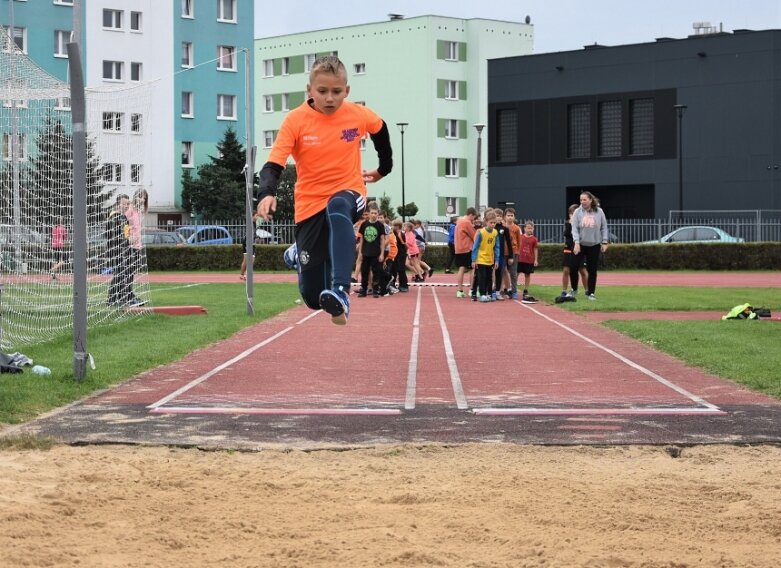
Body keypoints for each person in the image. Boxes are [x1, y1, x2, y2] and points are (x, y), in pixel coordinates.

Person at [255, 55, 392, 325]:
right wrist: (266, 193)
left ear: (347, 91)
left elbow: (381, 131)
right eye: (322, 91)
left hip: (349, 192)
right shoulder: (295, 121)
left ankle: (341, 290)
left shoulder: (358, 114)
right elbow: (274, 163)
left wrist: (383, 169)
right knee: (313, 297)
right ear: (309, 90)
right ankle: (298, 253)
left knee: (338, 206)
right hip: (309, 204)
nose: (330, 98)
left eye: (337, 92)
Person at [571, 191, 609, 300]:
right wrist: (577, 243)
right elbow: (575, 229)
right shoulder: (577, 212)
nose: (582, 202)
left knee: (592, 270)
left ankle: (591, 293)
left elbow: (604, 227)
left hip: (594, 245)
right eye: (581, 200)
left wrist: (605, 242)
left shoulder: (599, 211)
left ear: (590, 200)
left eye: (584, 200)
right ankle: (574, 289)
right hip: (580, 244)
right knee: (573, 266)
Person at [105, 194, 138, 306]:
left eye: (128, 204)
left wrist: (129, 239)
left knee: (121, 273)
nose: (126, 206)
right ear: (118, 204)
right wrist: (128, 239)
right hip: (117, 250)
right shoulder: (115, 217)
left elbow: (125, 234)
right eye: (124, 203)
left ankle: (116, 297)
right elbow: (115, 236)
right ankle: (117, 298)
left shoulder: (123, 218)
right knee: (120, 273)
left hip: (122, 249)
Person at [558, 203, 588, 301]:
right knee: (566, 270)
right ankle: (564, 290)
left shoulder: (583, 224)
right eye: (571, 213)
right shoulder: (568, 223)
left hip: (579, 249)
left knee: (582, 270)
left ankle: (588, 291)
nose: (573, 215)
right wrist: (571, 223)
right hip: (568, 248)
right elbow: (566, 234)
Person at [124, 189, 148, 306]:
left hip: (137, 245)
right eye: (140, 197)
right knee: (128, 271)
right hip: (130, 245)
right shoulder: (131, 209)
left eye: (144, 198)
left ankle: (130, 294)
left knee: (132, 271)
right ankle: (128, 296)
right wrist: (128, 237)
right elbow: (124, 223)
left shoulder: (139, 211)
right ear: (135, 197)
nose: (142, 200)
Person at [357, 202, 386, 298]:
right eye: (372, 213)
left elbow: (382, 240)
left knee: (376, 272)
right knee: (364, 272)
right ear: (369, 213)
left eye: (375, 213)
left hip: (376, 253)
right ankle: (363, 289)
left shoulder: (380, 226)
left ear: (378, 214)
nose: (374, 215)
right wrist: (360, 252)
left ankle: (375, 290)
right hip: (365, 252)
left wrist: (382, 254)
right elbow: (361, 239)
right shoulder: (363, 224)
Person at [471, 210, 501, 302]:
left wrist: (497, 260)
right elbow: (475, 247)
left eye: (494, 223)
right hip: (481, 258)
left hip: (490, 259)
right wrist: (473, 260)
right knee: (481, 276)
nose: (492, 224)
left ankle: (489, 293)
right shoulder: (481, 232)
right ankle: (481, 294)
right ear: (486, 222)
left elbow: (497, 247)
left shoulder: (495, 233)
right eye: (491, 222)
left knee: (489, 277)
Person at [454, 207, 478, 298]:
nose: (474, 220)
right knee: (472, 268)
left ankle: (459, 290)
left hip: (458, 248)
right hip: (467, 248)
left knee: (461, 268)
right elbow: (474, 235)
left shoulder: (459, 221)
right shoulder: (467, 222)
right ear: (471, 214)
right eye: (474, 217)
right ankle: (472, 289)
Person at [518, 220, 539, 304]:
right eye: (528, 228)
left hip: (529, 260)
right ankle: (513, 288)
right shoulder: (520, 237)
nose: (529, 230)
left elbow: (535, 249)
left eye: (531, 228)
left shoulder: (534, 239)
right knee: (516, 273)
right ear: (524, 228)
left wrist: (536, 259)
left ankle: (526, 289)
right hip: (520, 259)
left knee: (527, 275)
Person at [504, 208, 522, 300]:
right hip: (503, 253)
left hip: (514, 252)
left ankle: (514, 291)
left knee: (513, 273)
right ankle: (504, 289)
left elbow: (519, 241)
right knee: (502, 271)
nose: (510, 217)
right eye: (508, 215)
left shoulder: (516, 228)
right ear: (505, 216)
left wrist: (517, 252)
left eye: (512, 216)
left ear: (514, 217)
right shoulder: (502, 227)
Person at [240, 213, 260, 280]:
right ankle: (246, 275)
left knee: (246, 260)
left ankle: (242, 275)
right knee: (251, 260)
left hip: (249, 242)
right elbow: (250, 234)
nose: (257, 217)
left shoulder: (253, 223)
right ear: (252, 216)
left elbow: (253, 233)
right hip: (248, 242)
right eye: (256, 216)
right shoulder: (251, 223)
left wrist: (256, 237)